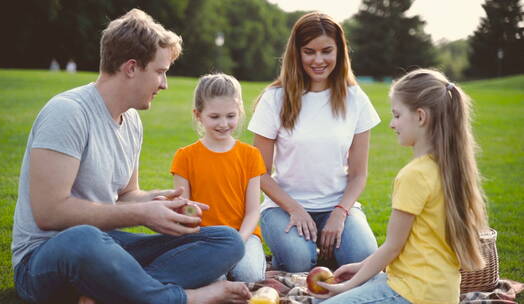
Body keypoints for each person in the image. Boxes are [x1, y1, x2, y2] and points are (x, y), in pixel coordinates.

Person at [12, 9, 251, 304]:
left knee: (225, 240)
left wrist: (158, 201)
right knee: (84, 238)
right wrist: (140, 214)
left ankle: (113, 292)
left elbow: (126, 194)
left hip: (107, 244)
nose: (164, 84)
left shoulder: (132, 121)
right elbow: (49, 213)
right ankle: (182, 297)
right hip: (48, 258)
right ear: (131, 68)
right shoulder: (68, 112)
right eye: (160, 71)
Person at [315, 69, 489, 304]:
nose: (391, 124)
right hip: (439, 292)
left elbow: (392, 247)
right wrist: (361, 267)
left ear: (420, 117)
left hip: (412, 293)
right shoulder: (448, 169)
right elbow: (402, 247)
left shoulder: (414, 175)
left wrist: (347, 285)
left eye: (397, 115)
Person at [247, 11, 379, 273]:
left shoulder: (355, 98)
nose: (318, 60)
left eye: (326, 51)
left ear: (339, 51)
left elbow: (359, 174)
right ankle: (310, 256)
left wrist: (341, 212)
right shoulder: (275, 99)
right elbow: (258, 172)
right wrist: (295, 209)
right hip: (284, 207)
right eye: (309, 51)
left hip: (337, 206)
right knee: (298, 261)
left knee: (364, 259)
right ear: (297, 53)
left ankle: (329, 254)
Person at [170, 73, 267, 282]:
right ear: (198, 115)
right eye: (214, 117)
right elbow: (185, 213)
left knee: (248, 275)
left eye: (230, 116)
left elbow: (252, 212)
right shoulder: (185, 157)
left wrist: (238, 242)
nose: (223, 123)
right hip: (203, 238)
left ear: (239, 113)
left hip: (244, 236)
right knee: (213, 278)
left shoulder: (250, 155)